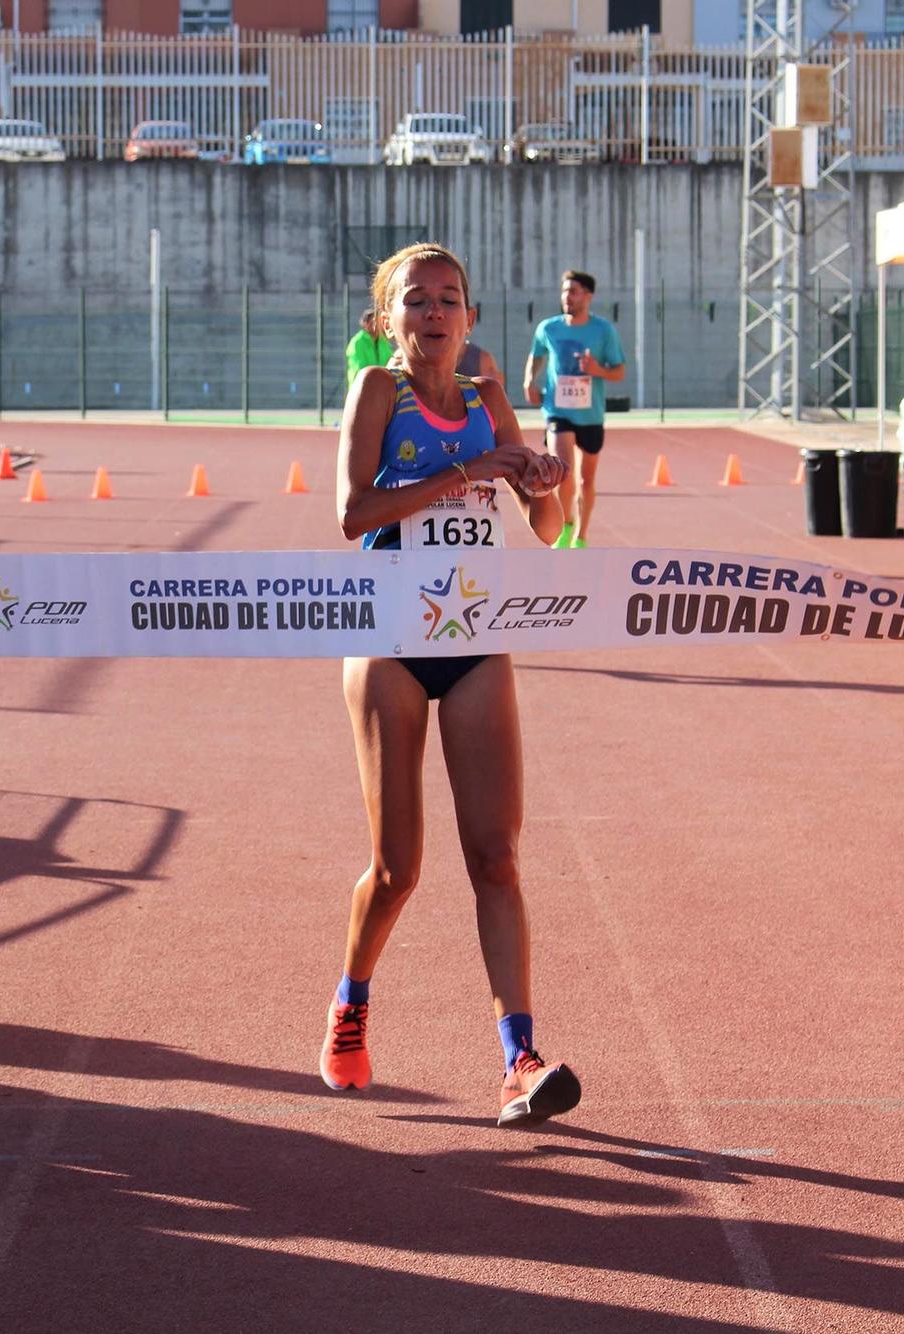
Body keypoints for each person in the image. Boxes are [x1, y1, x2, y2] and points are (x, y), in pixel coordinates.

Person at [324, 241, 582, 1130]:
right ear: (387, 320)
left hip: (475, 637)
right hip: (390, 636)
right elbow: (352, 514)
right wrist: (463, 475)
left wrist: (547, 475)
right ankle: (352, 999)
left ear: (471, 318)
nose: (434, 312)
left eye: (450, 298)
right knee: (399, 870)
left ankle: (520, 1058)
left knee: (497, 858)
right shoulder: (377, 394)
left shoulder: (488, 399)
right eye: (416, 299)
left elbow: (549, 531)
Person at [523, 270, 624, 549]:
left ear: (588, 296)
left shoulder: (603, 331)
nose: (567, 297)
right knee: (564, 470)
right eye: (565, 291)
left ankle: (582, 535)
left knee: (585, 479)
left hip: (590, 414)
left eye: (574, 291)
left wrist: (596, 369)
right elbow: (537, 356)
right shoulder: (549, 328)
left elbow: (619, 372)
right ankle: (566, 525)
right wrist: (529, 379)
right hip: (558, 410)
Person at [343, 307, 392, 387]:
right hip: (363, 388)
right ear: (365, 324)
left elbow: (390, 362)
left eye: (378, 322)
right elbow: (359, 369)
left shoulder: (383, 341)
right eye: (373, 322)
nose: (376, 325)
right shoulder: (357, 342)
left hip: (382, 389)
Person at [458, 303, 501, 387]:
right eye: (423, 301)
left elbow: (492, 398)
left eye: (448, 302)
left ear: (469, 319)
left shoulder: (483, 360)